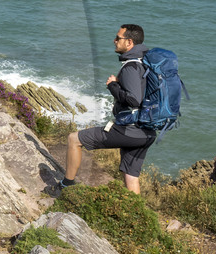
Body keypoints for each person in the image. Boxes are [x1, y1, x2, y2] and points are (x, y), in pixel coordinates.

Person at [63, 24, 156, 193]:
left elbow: (134, 100)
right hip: (146, 131)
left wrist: (113, 85)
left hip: (130, 130)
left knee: (74, 139)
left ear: (129, 42)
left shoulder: (131, 67)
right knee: (130, 175)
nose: (114, 41)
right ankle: (135, 209)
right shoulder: (145, 64)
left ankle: (65, 186)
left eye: (118, 38)